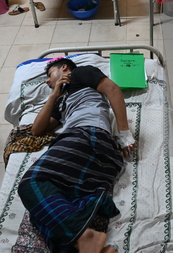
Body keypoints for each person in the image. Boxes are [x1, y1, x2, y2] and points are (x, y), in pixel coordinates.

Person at [18, 57, 136, 253]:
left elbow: (113, 90)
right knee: (41, 215)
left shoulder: (80, 74)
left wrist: (124, 134)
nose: (47, 82)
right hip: (92, 152)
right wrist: (53, 95)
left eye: (49, 75)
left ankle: (86, 237)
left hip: (88, 136)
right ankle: (94, 249)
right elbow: (37, 130)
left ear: (63, 67)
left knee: (31, 184)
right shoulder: (61, 98)